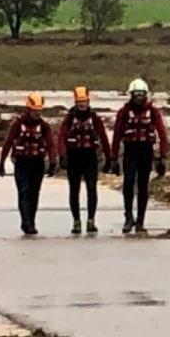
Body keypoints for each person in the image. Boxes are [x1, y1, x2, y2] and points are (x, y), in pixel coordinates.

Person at [110, 78, 168, 234]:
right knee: (128, 182)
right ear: (131, 95)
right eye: (135, 94)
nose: (138, 97)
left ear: (145, 95)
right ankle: (129, 216)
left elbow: (162, 134)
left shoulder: (153, 112)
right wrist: (113, 158)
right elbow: (116, 135)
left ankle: (140, 220)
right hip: (130, 151)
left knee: (143, 186)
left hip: (146, 151)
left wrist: (162, 157)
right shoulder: (123, 112)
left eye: (141, 94)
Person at [0, 93, 58, 236]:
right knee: (23, 192)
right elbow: (8, 142)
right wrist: (1, 163)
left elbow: (50, 144)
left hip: (37, 163)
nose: (37, 113)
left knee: (34, 194)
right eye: (35, 110)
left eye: (39, 110)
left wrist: (52, 162)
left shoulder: (44, 126)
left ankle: (31, 221)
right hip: (21, 163)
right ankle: (26, 222)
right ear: (29, 109)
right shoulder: (18, 124)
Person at [57, 86, 112, 235]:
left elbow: (104, 138)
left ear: (88, 101)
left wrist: (109, 158)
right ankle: (76, 221)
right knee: (74, 191)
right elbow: (61, 137)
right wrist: (62, 155)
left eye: (84, 101)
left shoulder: (95, 119)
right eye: (79, 101)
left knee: (92, 189)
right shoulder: (69, 119)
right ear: (75, 102)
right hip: (73, 158)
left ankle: (91, 220)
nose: (82, 104)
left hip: (90, 157)